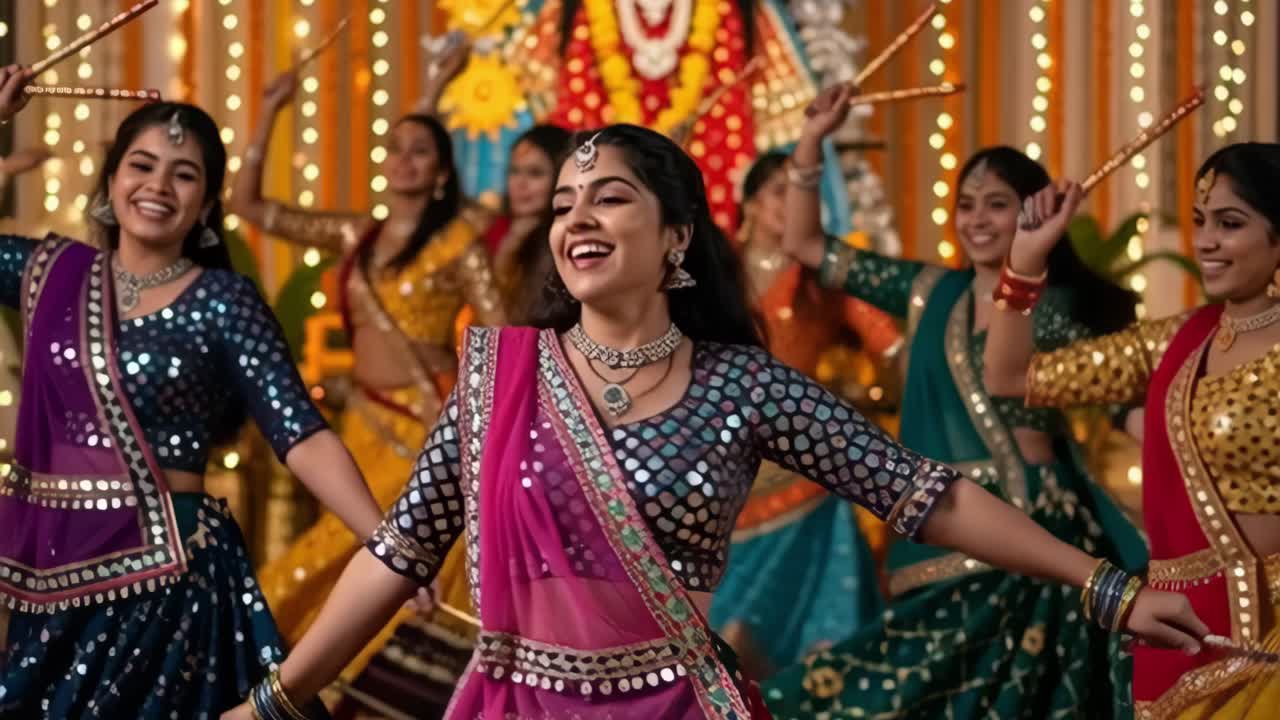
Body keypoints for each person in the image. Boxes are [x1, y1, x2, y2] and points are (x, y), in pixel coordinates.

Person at [222, 123, 1205, 720]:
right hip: (515, 703)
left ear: (677, 235)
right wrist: (277, 700)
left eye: (609, 197)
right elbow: (397, 554)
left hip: (678, 704)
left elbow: (923, 496)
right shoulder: (499, 380)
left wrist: (1107, 588)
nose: (577, 220)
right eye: (565, 204)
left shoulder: (742, 385)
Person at [0, 65, 381, 718]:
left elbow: (301, 433)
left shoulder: (224, 301)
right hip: (54, 575)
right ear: (112, 181)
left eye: (184, 173)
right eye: (141, 165)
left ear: (206, 204)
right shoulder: (50, 272)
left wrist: (387, 543)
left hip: (167, 575)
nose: (157, 186)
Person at [762, 85, 1151, 718]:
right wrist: (811, 141)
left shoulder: (1050, 308)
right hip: (938, 530)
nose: (975, 220)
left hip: (1037, 540)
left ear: (1032, 212)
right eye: (965, 205)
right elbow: (809, 248)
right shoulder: (928, 292)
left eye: (996, 205)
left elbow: (1116, 405)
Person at [227, 67, 507, 692]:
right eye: (396, 149)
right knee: (342, 551)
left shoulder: (460, 243)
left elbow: (502, 337)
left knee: (361, 554)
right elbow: (248, 207)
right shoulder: (360, 234)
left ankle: (322, 680)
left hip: (422, 428)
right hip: (362, 421)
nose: (404, 161)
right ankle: (289, 676)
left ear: (440, 174)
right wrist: (270, 109)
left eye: (420, 152)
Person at [982, 142, 1280, 717]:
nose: (1208, 242)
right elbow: (1010, 375)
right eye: (1200, 222)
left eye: (1231, 223)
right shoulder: (1174, 342)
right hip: (1181, 638)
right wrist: (1024, 261)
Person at [708, 151, 902, 678]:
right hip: (715, 462)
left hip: (801, 464)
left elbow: (891, 343)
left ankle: (821, 676)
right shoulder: (712, 271)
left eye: (802, 194)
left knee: (834, 507)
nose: (792, 205)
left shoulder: (823, 278)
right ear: (748, 205)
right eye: (778, 192)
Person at [483, 123, 571, 319]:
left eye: (535, 173)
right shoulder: (492, 232)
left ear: (563, 178)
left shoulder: (573, 238)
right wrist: (511, 243)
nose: (520, 183)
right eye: (514, 171)